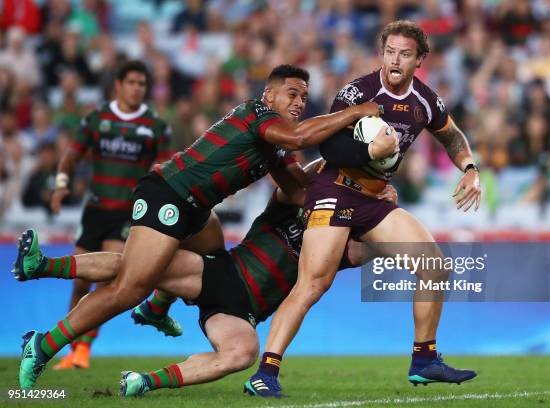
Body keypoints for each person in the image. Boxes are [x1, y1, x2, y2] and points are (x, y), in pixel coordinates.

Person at [17, 64, 397, 390]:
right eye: (292, 94)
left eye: (303, 97)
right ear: (269, 94)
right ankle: (45, 344)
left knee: (200, 258)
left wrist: (362, 187)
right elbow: (300, 138)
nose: (299, 103)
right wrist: (355, 113)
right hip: (168, 195)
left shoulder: (277, 145)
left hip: (196, 209)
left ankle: (152, 305)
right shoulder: (258, 115)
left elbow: (300, 190)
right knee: (129, 287)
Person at [13, 159, 398, 396]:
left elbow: (378, 246)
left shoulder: (342, 243)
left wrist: (378, 207)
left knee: (242, 354)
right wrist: (346, 173)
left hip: (242, 313)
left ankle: (144, 381)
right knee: (140, 269)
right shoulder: (291, 203)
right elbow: (305, 179)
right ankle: (44, 266)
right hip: (220, 272)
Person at [246, 20, 481, 397]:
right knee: (313, 284)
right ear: (381, 53)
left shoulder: (425, 101)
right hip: (335, 190)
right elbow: (330, 148)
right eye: (390, 52)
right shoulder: (358, 92)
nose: (395, 60)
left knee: (434, 266)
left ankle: (424, 360)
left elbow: (451, 135)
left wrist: (470, 168)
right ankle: (265, 373)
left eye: (405, 54)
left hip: (373, 200)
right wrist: (372, 151)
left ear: (419, 59)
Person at [49, 60, 174, 370]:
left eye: (142, 84)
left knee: (106, 279)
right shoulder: (96, 118)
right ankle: (70, 346)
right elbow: (72, 155)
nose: (137, 88)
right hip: (94, 209)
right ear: (118, 85)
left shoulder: (155, 126)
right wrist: (61, 186)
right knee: (79, 280)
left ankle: (84, 350)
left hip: (127, 213)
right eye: (131, 82)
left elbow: (163, 171)